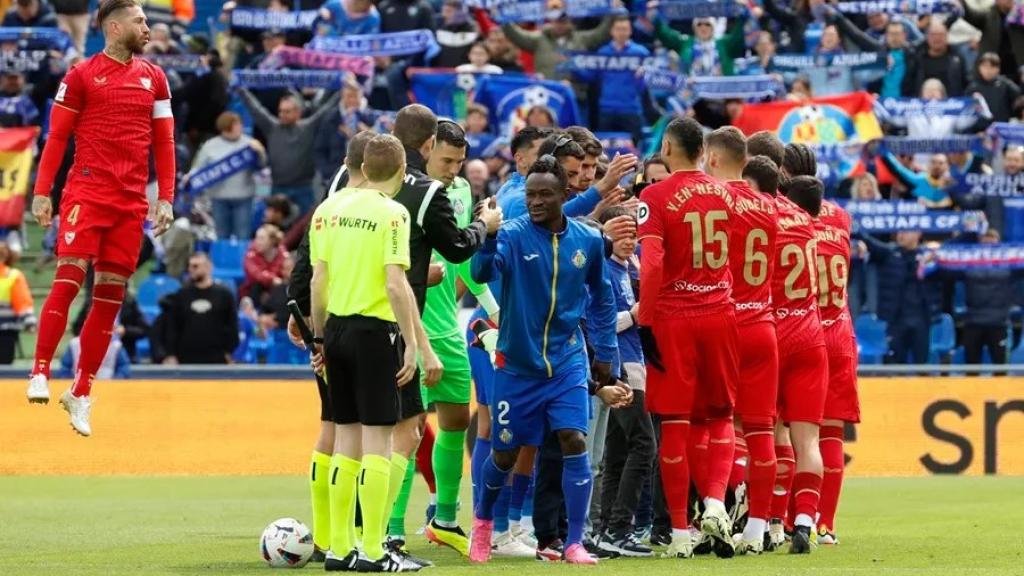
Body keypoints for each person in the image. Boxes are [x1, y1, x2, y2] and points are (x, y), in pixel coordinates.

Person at [26, 0, 177, 438]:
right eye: (140, 21)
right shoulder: (80, 76)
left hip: (130, 203)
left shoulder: (155, 78)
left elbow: (165, 143)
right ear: (114, 27)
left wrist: (165, 197)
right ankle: (39, 370)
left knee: (109, 299)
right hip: (87, 193)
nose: (148, 27)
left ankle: (81, 390)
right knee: (70, 278)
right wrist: (41, 192)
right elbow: (56, 138)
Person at [469, 155, 625, 565]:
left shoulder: (588, 240)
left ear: (563, 196)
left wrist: (605, 352)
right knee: (505, 455)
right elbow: (482, 272)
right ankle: (483, 523)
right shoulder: (514, 234)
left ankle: (573, 541)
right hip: (517, 367)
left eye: (544, 195)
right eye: (531, 195)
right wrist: (487, 236)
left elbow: (603, 297)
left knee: (573, 440)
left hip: (567, 361)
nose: (535, 202)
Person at [306, 133, 434, 573]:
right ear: (400, 172)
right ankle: (375, 550)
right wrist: (413, 344)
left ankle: (339, 549)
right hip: (375, 331)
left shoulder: (329, 208)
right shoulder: (393, 212)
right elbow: (396, 284)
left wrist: (319, 338)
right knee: (378, 442)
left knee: (345, 441)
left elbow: (316, 280)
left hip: (336, 329)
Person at [636, 117, 739, 559]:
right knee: (718, 417)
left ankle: (680, 531)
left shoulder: (654, 196)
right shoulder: (727, 194)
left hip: (675, 320)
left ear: (668, 147)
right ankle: (715, 501)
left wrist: (646, 320)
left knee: (676, 423)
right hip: (720, 315)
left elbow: (654, 264)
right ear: (704, 152)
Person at [288, 129, 375, 564]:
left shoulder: (328, 201)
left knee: (332, 424)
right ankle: (360, 539)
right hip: (365, 321)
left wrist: (300, 309)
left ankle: (327, 537)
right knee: (365, 432)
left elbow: (308, 257)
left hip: (326, 322)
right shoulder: (380, 204)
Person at [417, 121, 502, 557]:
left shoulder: (462, 193)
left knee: (453, 420)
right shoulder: (405, 190)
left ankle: (444, 519)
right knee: (408, 427)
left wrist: (492, 308)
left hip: (447, 326)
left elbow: (464, 258)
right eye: (447, 160)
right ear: (426, 149)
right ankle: (390, 529)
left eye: (460, 161)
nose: (455, 169)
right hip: (409, 327)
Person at [705, 128, 780, 556]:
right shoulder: (769, 206)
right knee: (762, 430)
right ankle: (756, 527)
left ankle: (715, 507)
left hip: (725, 322)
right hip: (763, 326)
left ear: (715, 159)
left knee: (715, 424)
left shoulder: (716, 202)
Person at [768, 174, 828, 554]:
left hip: (776, 332)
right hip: (811, 334)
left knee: (772, 433)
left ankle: (772, 521)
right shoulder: (809, 224)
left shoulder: (768, 219)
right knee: (810, 441)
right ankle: (805, 520)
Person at [595, 206, 656, 558]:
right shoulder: (604, 271)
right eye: (620, 234)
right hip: (620, 366)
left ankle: (608, 529)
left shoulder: (626, 271)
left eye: (633, 234)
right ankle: (619, 528)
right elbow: (599, 324)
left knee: (618, 451)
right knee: (644, 445)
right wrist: (634, 315)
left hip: (635, 363)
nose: (628, 240)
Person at [815, 195, 860, 546]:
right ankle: (825, 524)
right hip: (840, 330)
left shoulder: (788, 218)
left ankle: (785, 519)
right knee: (831, 432)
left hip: (800, 328)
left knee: (787, 431)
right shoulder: (841, 218)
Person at [238, 88, 341, 215]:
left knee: (307, 227)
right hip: (278, 188)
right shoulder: (272, 127)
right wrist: (241, 89)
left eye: (287, 111)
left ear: (298, 113)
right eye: (280, 111)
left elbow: (326, 109)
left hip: (304, 188)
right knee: (276, 229)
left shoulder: (308, 128)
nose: (282, 115)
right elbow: (255, 109)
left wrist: (341, 90)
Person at [189, 111, 267, 240]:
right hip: (219, 198)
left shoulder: (250, 143)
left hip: (244, 197)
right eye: (235, 125)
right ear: (225, 128)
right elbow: (198, 170)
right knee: (221, 235)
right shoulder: (210, 146)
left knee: (243, 236)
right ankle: (222, 260)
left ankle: (241, 260)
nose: (239, 128)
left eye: (239, 125)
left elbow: (262, 165)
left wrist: (261, 152)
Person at [574, 16, 650, 144]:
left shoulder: (641, 53)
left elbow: (645, 87)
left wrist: (642, 77)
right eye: (618, 29)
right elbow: (590, 76)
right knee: (602, 149)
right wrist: (574, 67)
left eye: (625, 29)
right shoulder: (603, 52)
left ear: (630, 31)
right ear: (612, 31)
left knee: (637, 148)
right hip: (607, 108)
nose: (621, 32)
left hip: (631, 108)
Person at [157, 252, 238, 365]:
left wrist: (229, 352)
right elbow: (173, 327)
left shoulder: (224, 295)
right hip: (186, 359)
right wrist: (171, 354)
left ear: (208, 267)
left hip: (217, 358)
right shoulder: (181, 295)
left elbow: (232, 326)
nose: (191, 269)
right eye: (189, 266)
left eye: (195, 266)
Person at [0, 241, 35, 364]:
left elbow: (23, 302)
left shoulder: (13, 276)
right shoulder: (15, 275)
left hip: (5, 333)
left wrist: (29, 322)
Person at [967, 53, 1022, 123]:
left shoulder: (1005, 84)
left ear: (998, 69)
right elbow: (968, 112)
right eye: (985, 66)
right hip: (981, 131)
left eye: (992, 66)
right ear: (979, 68)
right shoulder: (972, 87)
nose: (988, 70)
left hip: (1003, 127)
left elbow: (1019, 98)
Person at [241, 224, 287, 304]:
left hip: (276, 292)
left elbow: (286, 273)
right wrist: (272, 279)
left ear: (272, 240)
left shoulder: (283, 254)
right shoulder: (250, 254)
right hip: (254, 293)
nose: (257, 242)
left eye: (261, 238)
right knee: (256, 287)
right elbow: (256, 274)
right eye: (256, 238)